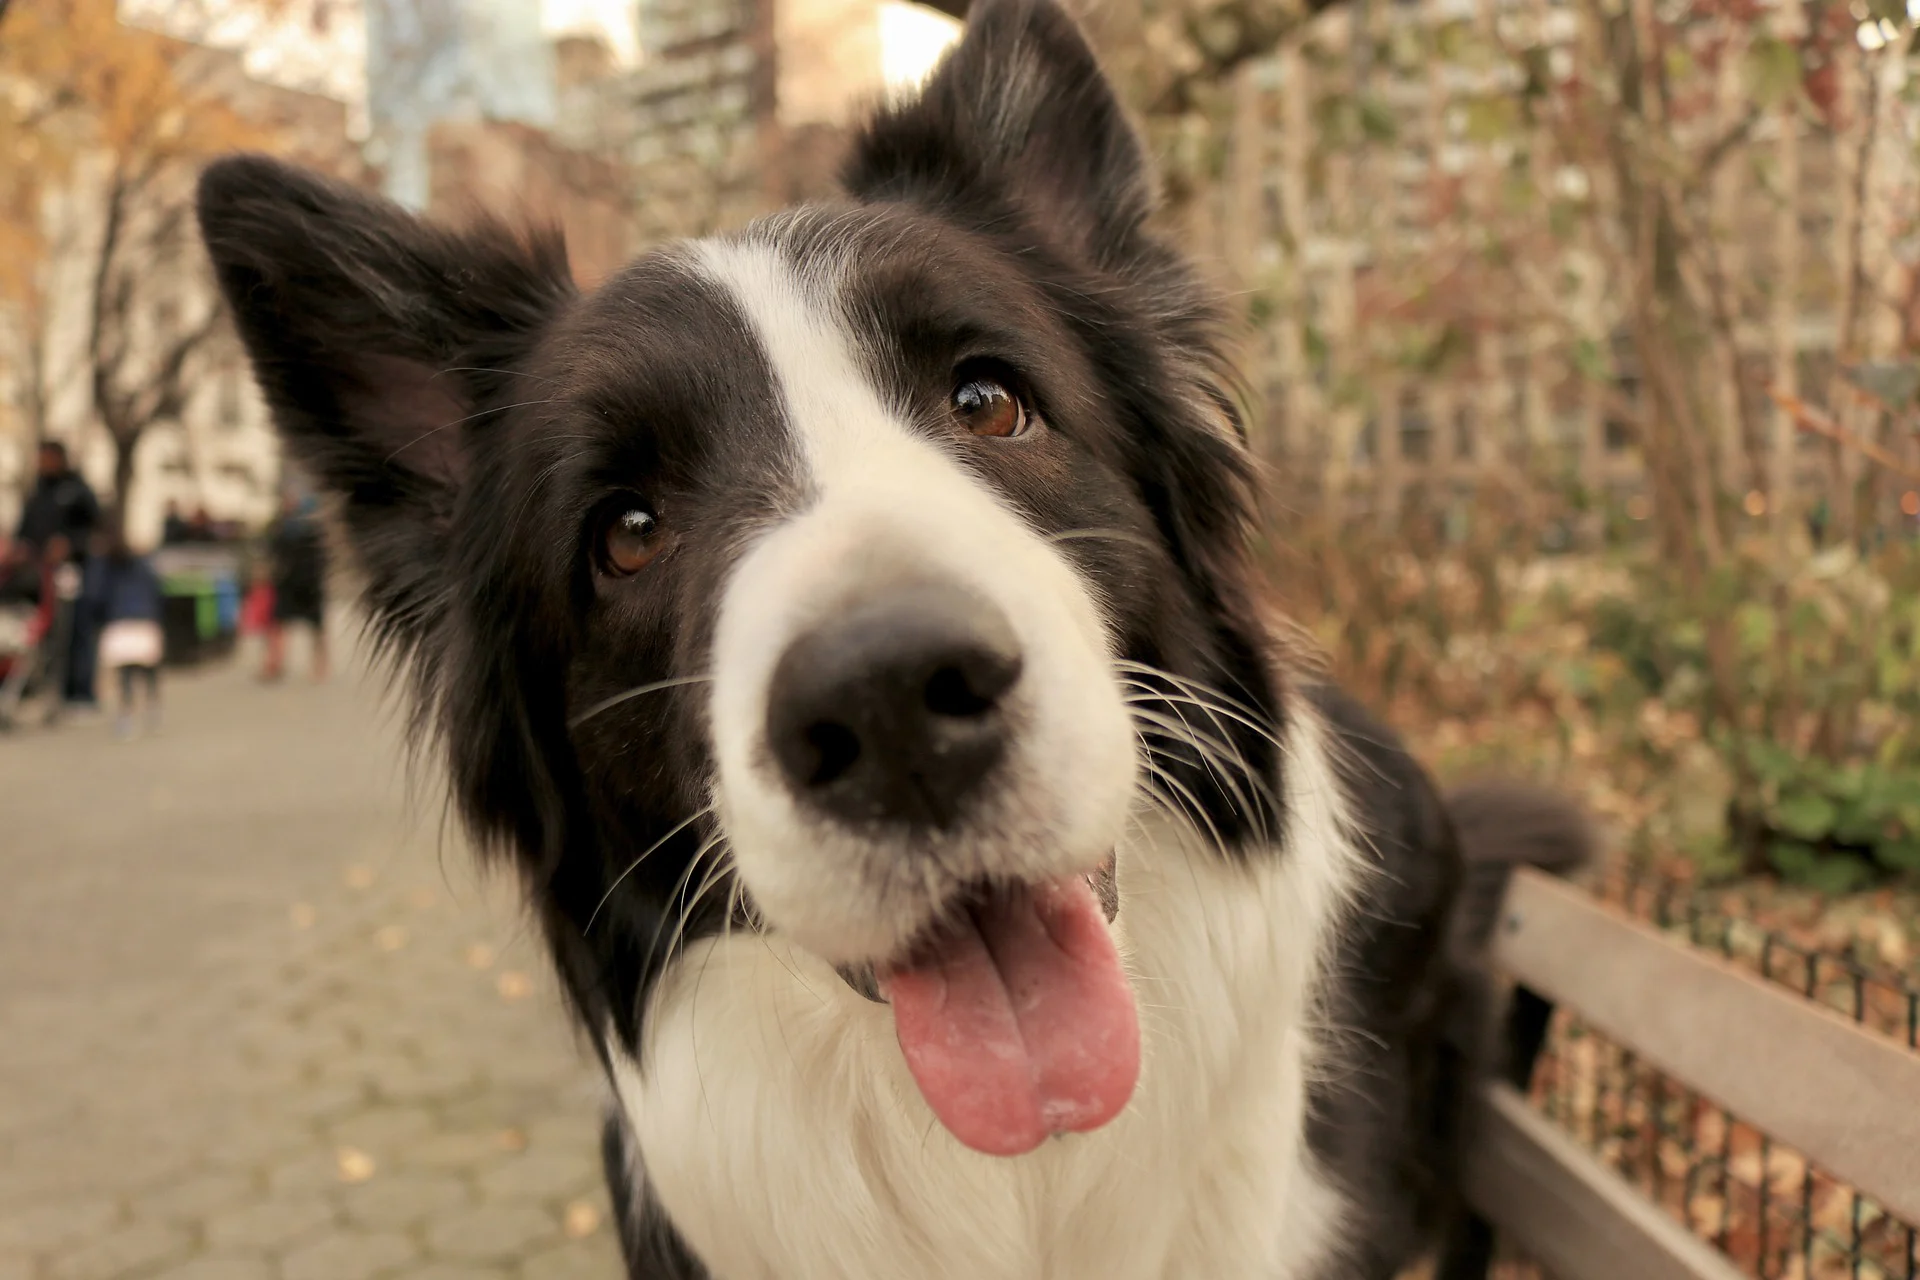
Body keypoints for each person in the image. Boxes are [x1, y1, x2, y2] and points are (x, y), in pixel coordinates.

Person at [8, 441, 101, 713]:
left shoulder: (77, 491)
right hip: (37, 576)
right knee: (39, 635)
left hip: (71, 573)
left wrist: (69, 544)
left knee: (74, 631)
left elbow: (94, 530)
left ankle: (78, 692)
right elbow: (24, 531)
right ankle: (37, 689)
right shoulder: (37, 493)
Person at [83, 525, 165, 739]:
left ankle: (127, 715)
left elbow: (95, 595)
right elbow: (157, 590)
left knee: (125, 674)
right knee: (148, 671)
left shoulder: (104, 568)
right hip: (144, 619)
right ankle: (152, 709)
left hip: (120, 622)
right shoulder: (143, 565)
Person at [263, 492, 328, 682]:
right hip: (286, 583)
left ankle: (320, 665)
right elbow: (273, 553)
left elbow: (323, 557)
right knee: (278, 624)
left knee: (316, 628)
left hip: (310, 583)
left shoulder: (314, 528)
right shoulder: (279, 526)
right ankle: (275, 663)